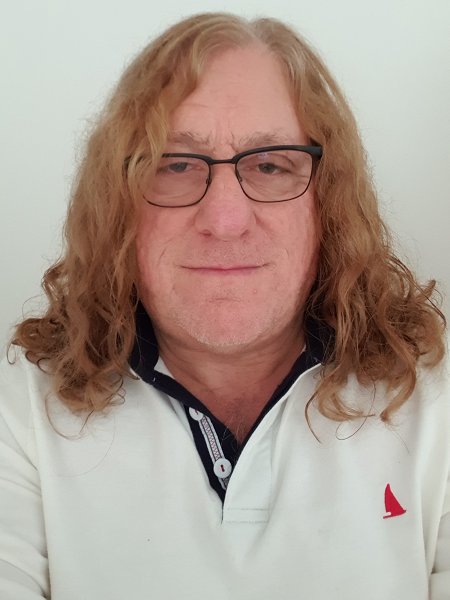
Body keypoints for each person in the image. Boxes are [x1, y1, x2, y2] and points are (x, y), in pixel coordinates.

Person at [0, 11, 448, 600]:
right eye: (175, 165)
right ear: (117, 203)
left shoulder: (436, 402)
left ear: (329, 201)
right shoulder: (21, 410)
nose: (226, 219)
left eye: (270, 164)